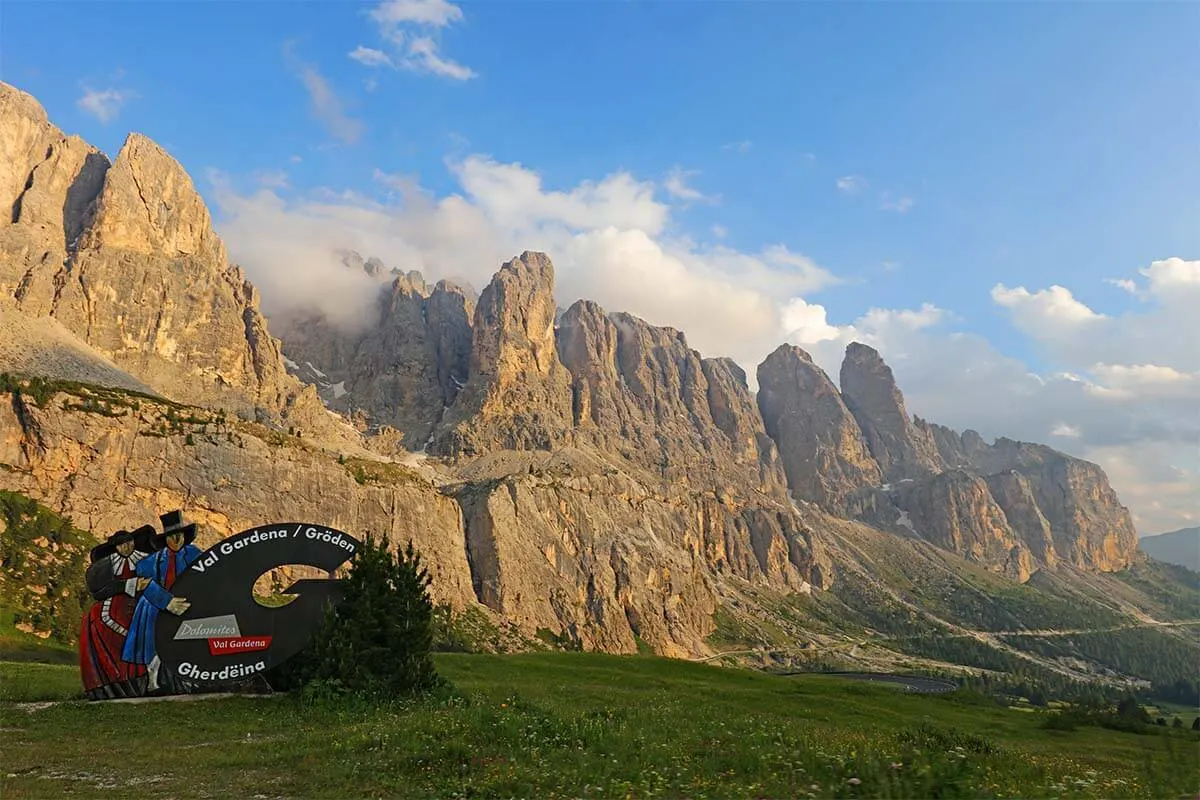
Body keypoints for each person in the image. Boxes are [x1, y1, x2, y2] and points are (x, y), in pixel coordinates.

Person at [121, 510, 201, 693]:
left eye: (179, 535)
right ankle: (153, 677)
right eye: (172, 536)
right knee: (154, 632)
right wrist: (166, 602)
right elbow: (145, 583)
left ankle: (192, 675)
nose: (176, 540)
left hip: (186, 604)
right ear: (165, 539)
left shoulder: (194, 554)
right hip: (158, 605)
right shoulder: (151, 561)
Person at [78, 525, 156, 699]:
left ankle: (144, 678)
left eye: (128, 542)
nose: (126, 547)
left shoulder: (147, 559)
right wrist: (131, 585)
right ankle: (114, 680)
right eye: (121, 544)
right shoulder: (107, 564)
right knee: (100, 624)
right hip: (115, 606)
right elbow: (98, 589)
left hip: (142, 602)